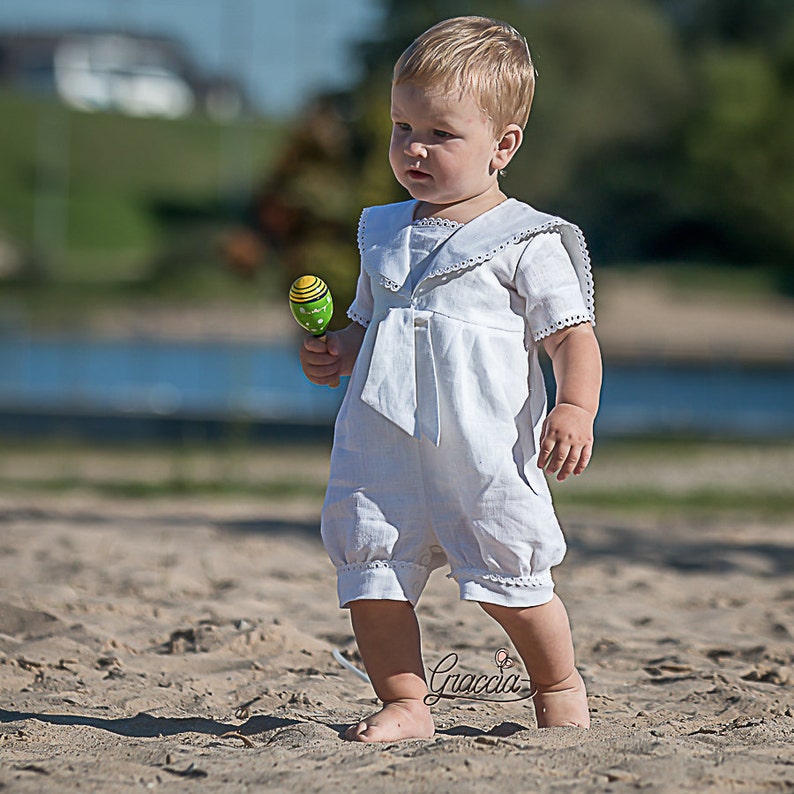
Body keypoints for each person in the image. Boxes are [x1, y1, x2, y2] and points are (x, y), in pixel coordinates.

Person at [299, 15, 602, 742]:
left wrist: (576, 408)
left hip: (483, 448)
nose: (414, 149)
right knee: (372, 573)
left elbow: (572, 338)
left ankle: (557, 686)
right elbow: (371, 324)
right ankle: (407, 702)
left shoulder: (524, 240)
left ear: (503, 146)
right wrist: (337, 348)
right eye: (403, 128)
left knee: (515, 581)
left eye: (440, 133)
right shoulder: (384, 232)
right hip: (384, 444)